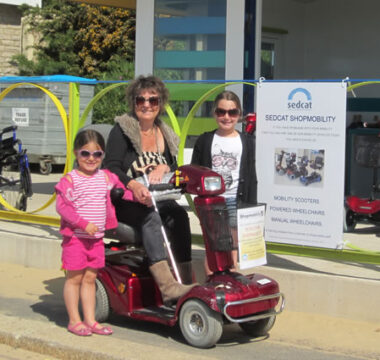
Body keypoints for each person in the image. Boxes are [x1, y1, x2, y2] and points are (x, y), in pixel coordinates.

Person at [104, 75, 196, 304]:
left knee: (180, 216)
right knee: (150, 217)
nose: (146, 105)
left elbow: (173, 166)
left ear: (160, 104)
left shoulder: (164, 134)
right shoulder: (122, 130)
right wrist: (133, 184)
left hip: (157, 197)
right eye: (141, 100)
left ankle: (185, 281)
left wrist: (165, 165)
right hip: (125, 199)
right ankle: (168, 287)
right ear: (133, 102)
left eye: (153, 100)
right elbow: (111, 166)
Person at [55, 129, 132, 336]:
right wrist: (82, 223)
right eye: (85, 154)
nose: (91, 158)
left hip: (96, 240)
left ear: (103, 155)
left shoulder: (106, 177)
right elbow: (62, 207)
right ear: (75, 153)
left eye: (97, 154)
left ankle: (90, 320)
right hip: (75, 240)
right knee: (74, 279)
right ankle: (74, 320)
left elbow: (123, 192)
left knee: (90, 279)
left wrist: (140, 196)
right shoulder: (70, 180)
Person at [191, 90, 257, 273]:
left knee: (234, 247)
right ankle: (213, 287)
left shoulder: (248, 141)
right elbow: (195, 171)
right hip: (212, 202)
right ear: (214, 113)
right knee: (214, 248)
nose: (227, 117)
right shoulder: (205, 140)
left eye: (232, 112)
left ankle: (231, 283)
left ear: (239, 115)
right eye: (221, 112)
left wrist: (251, 206)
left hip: (237, 199)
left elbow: (252, 176)